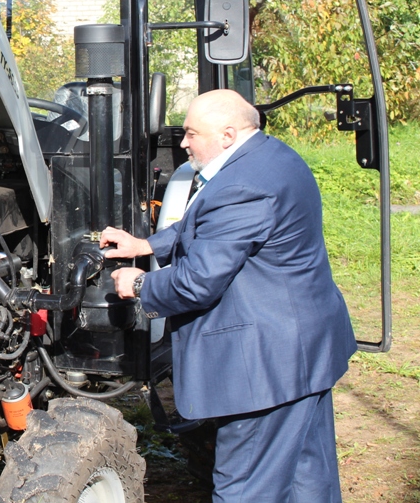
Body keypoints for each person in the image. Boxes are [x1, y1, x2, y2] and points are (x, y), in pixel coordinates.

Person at [100, 89, 356, 502]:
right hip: (305, 349)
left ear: (228, 134)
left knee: (245, 487)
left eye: (190, 133)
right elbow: (214, 228)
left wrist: (140, 284)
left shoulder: (241, 187)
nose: (183, 143)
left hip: (266, 366)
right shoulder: (271, 158)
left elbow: (199, 280)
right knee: (308, 475)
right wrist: (147, 246)